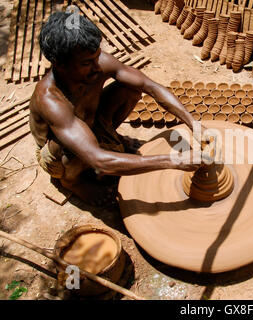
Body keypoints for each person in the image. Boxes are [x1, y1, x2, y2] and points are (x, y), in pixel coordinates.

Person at [30, 11, 204, 206]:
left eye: (96, 57)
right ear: (59, 64)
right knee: (69, 149)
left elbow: (151, 86)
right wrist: (174, 161)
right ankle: (73, 182)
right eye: (87, 63)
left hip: (91, 124)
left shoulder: (96, 64)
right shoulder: (51, 100)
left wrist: (193, 123)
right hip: (58, 153)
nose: (97, 67)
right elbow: (98, 160)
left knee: (130, 88)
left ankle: (110, 137)